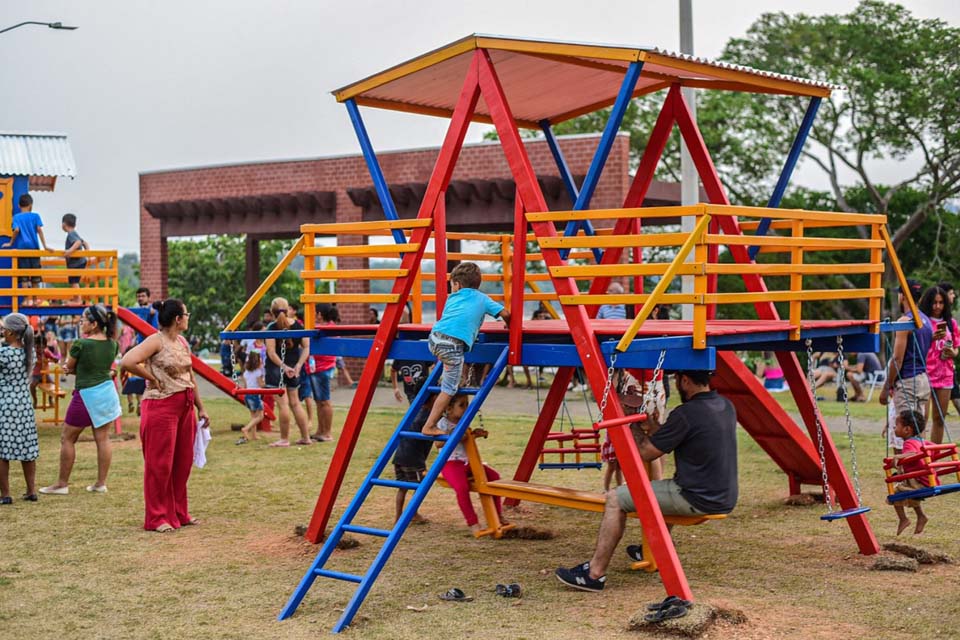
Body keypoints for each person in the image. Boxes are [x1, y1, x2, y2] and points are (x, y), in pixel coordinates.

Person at [556, 370, 737, 592]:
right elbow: (680, 436)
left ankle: (594, 573)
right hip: (724, 495)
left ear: (685, 380)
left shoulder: (686, 413)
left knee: (615, 498)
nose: (676, 384)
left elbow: (646, 452)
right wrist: (653, 427)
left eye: (676, 380)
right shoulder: (725, 406)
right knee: (662, 490)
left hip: (695, 497)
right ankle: (651, 549)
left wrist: (628, 422)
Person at [120, 298, 209, 532]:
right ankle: (157, 517)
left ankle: (179, 512)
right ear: (178, 319)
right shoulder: (155, 341)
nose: (188, 318)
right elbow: (128, 361)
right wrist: (152, 378)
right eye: (186, 314)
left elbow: (190, 376)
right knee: (160, 465)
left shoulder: (182, 341)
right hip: (161, 407)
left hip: (185, 405)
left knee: (182, 463)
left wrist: (201, 407)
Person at [39, 304, 121, 495]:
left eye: (83, 320)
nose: (81, 323)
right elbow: (101, 368)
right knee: (102, 438)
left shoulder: (81, 344)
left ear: (93, 324)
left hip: (86, 394)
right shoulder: (113, 344)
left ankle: (61, 484)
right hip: (107, 393)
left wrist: (69, 367)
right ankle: (100, 483)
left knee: (67, 437)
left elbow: (69, 367)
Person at [422, 262, 510, 433]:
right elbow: (506, 313)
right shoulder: (483, 299)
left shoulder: (452, 298)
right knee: (449, 389)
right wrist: (508, 325)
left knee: (451, 366)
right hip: (452, 346)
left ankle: (451, 374)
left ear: (457, 284)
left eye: (452, 285)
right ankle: (429, 425)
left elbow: (457, 319)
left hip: (434, 338)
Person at [423, 394, 504, 535]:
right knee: (462, 488)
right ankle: (472, 522)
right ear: (449, 408)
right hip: (451, 463)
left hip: (469, 462)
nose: (466, 408)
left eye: (467, 404)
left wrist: (476, 434)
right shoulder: (443, 423)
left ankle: (498, 515)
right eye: (462, 405)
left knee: (494, 478)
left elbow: (467, 437)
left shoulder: (464, 422)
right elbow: (438, 443)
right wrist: (453, 436)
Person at [880, 279, 941, 415]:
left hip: (908, 382)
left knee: (905, 429)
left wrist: (886, 387)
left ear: (902, 296)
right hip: (923, 379)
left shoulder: (905, 322)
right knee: (918, 430)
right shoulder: (925, 321)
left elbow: (897, 359)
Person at [0, 314, 39, 504]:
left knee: (2, 450)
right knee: (27, 448)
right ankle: (31, 490)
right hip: (24, 404)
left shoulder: (4, 354)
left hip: (5, 404)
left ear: (11, 333)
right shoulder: (30, 353)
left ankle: (5, 494)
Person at [264, 296, 312, 447]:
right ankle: (306, 437)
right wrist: (298, 365)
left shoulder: (271, 328)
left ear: (272, 312)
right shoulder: (298, 326)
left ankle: (284, 439)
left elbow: (271, 353)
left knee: (283, 405)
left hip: (276, 368)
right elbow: (306, 347)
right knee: (296, 403)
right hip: (294, 367)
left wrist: (284, 367)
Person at [919, 286, 958, 443]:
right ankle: (921, 456)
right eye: (934, 303)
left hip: (945, 374)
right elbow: (916, 346)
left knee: (939, 419)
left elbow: (956, 349)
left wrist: (952, 353)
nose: (937, 307)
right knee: (923, 419)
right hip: (925, 373)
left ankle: (934, 456)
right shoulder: (922, 322)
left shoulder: (951, 323)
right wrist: (931, 338)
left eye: (941, 303)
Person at [888, 409, 933, 535]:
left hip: (920, 482)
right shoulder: (921, 441)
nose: (894, 427)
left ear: (907, 429)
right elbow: (934, 449)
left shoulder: (908, 443)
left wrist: (897, 457)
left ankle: (903, 519)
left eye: (896, 425)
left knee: (896, 492)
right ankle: (921, 516)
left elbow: (913, 453)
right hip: (925, 480)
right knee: (908, 490)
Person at [392, 395, 435, 524]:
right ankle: (413, 513)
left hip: (400, 456)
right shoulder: (429, 417)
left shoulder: (415, 412)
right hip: (413, 459)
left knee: (402, 487)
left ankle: (398, 516)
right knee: (421, 486)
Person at [2, 194, 50, 305]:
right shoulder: (35, 216)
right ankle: (34, 300)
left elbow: (17, 230)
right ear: (31, 205)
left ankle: (26, 300)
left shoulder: (16, 217)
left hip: (22, 250)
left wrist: (10, 243)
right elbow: (39, 230)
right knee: (35, 277)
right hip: (34, 250)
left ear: (19, 205)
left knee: (24, 277)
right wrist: (45, 246)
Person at [307, 305, 338, 442]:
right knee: (319, 401)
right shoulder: (322, 326)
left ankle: (327, 432)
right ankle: (321, 430)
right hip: (317, 366)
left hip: (323, 366)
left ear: (319, 314)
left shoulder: (328, 328)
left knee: (324, 401)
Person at [236, 350, 264, 445]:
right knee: (260, 416)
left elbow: (245, 386)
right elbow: (261, 384)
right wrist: (265, 382)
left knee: (253, 416)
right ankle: (246, 429)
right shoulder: (258, 372)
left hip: (247, 395)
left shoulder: (246, 372)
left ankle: (254, 435)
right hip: (255, 395)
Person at [61, 213, 89, 305]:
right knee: (74, 281)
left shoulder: (71, 234)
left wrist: (69, 251)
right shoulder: (75, 233)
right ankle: (76, 299)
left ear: (64, 224)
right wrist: (87, 252)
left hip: (76, 263)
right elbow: (84, 242)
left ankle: (78, 300)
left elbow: (77, 242)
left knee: (74, 281)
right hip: (79, 262)